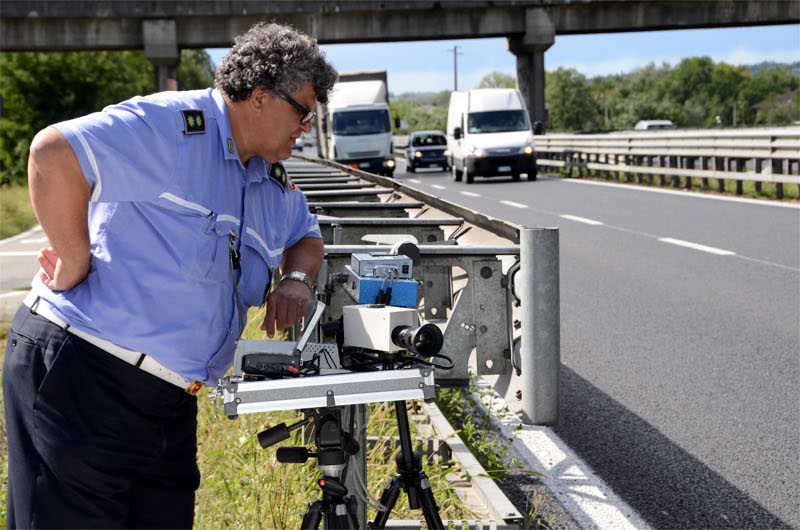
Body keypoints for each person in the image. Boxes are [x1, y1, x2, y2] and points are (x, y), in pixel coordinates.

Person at [2, 22, 338, 528]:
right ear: (262, 97)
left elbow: (307, 238)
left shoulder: (271, 181)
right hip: (84, 376)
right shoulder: (173, 129)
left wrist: (296, 280)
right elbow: (53, 153)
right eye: (304, 111)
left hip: (169, 402)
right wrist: (74, 259)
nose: (306, 127)